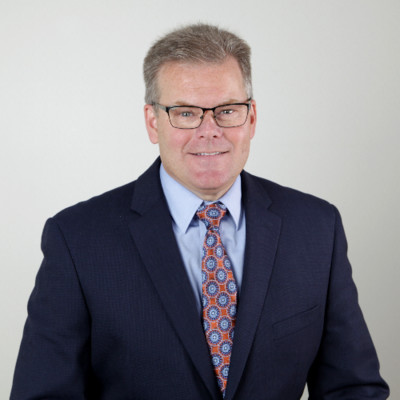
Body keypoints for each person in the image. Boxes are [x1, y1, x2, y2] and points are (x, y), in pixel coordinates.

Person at [11, 23, 389, 400]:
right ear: (153, 122)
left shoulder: (316, 229)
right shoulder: (77, 240)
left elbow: (353, 389)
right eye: (186, 113)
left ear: (251, 118)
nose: (209, 131)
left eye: (227, 110)